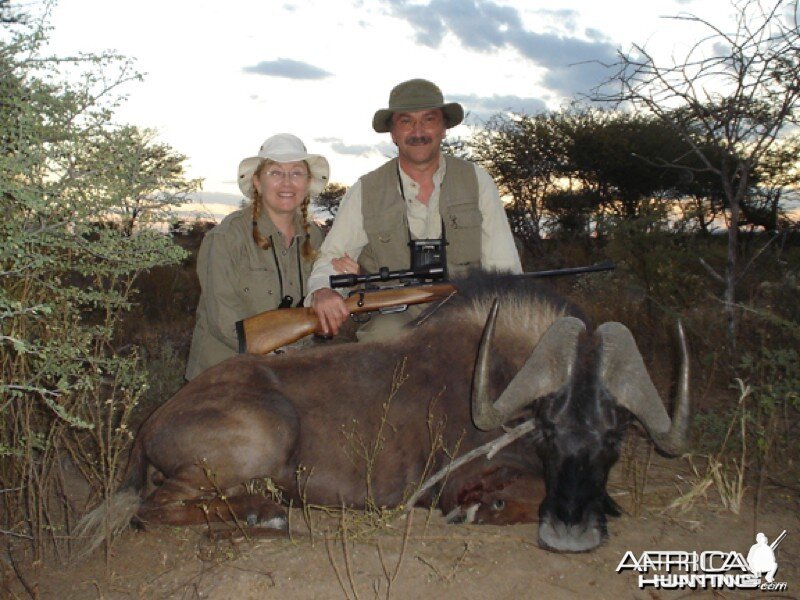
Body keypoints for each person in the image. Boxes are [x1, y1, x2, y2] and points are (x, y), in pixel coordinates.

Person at [306, 78, 522, 339]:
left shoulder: (477, 181)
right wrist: (323, 291)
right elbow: (334, 257)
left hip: (466, 305)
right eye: (406, 121)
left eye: (429, 120)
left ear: (443, 128)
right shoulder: (366, 190)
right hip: (394, 309)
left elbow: (503, 265)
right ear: (393, 133)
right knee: (384, 336)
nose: (418, 131)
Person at [185, 134, 329, 380]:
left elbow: (323, 302)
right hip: (226, 375)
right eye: (275, 172)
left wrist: (340, 284)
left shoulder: (315, 237)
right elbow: (226, 324)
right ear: (258, 182)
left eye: (296, 173)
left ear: (307, 183)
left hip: (290, 370)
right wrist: (284, 356)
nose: (287, 183)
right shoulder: (226, 238)